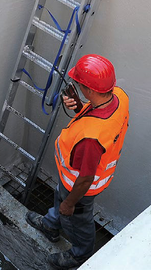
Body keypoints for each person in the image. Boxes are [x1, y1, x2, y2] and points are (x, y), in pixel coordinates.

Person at [25, 54, 130, 270]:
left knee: (79, 222)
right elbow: (98, 114)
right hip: (69, 180)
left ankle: (80, 255)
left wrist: (70, 203)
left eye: (80, 84)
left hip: (80, 188)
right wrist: (79, 107)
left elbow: (85, 179)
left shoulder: (91, 140)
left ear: (90, 90)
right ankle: (51, 225)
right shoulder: (119, 96)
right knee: (59, 196)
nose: (78, 86)